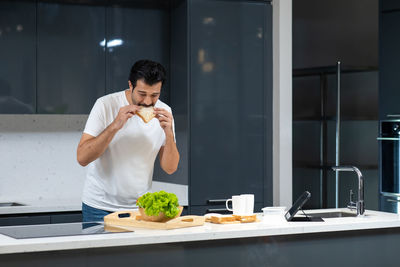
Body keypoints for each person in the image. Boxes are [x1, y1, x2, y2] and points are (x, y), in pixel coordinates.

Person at [77, 59, 180, 222]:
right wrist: (115, 125)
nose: (147, 102)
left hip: (141, 210)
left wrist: (168, 133)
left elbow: (170, 168)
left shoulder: (165, 111)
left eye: (154, 95)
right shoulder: (105, 105)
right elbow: (82, 158)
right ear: (130, 85)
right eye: (142, 93)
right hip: (99, 208)